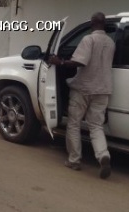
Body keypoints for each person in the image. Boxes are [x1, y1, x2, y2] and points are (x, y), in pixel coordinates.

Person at [49, 12, 115, 179]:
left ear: (92, 23)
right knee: (96, 126)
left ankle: (74, 160)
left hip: (83, 88)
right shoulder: (110, 42)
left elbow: (80, 61)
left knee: (73, 124)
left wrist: (60, 62)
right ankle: (103, 156)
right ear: (104, 24)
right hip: (103, 90)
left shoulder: (88, 40)